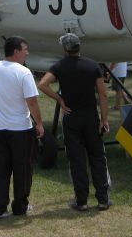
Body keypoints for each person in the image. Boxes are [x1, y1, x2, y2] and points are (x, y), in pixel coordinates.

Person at [38, 33, 111, 211]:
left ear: (64, 49)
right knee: (97, 157)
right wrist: (104, 119)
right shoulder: (93, 66)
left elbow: (42, 84)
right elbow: (103, 94)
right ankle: (103, 199)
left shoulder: (59, 66)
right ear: (79, 47)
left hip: (71, 117)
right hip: (91, 117)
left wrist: (60, 99)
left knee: (77, 159)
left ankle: (82, 201)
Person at [0, 36, 44, 219]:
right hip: (19, 128)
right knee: (22, 169)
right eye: (25, 49)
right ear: (16, 51)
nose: (27, 52)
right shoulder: (24, 72)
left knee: (0, 169)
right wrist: (40, 124)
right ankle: (20, 206)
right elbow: (32, 102)